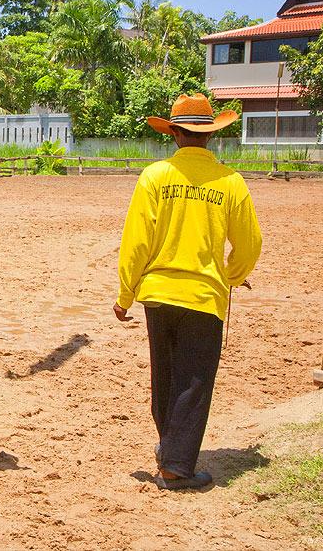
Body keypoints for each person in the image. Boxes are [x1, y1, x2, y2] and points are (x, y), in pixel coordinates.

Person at [113, 93, 262, 490]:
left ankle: (169, 446)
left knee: (165, 373)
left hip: (158, 294)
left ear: (175, 134)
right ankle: (177, 467)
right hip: (203, 296)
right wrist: (231, 276)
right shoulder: (231, 183)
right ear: (210, 136)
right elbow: (249, 245)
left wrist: (125, 294)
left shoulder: (155, 177)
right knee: (194, 379)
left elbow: (136, 243)